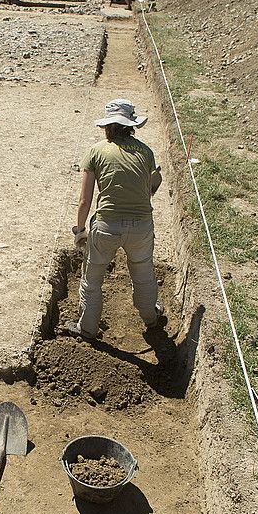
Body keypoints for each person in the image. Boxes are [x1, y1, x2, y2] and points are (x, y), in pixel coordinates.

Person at [67, 99, 163, 339]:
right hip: (141, 227)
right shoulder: (146, 151)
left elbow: (84, 201)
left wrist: (80, 230)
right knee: (143, 274)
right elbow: (151, 187)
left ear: (106, 126)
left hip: (107, 226)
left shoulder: (96, 151)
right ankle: (151, 318)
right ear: (131, 125)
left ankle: (87, 329)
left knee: (92, 279)